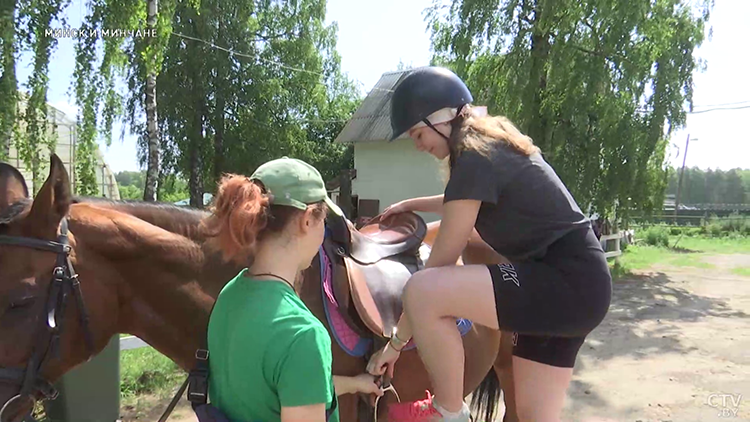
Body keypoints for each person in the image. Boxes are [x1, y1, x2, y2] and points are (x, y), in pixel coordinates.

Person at [365, 67, 612, 421]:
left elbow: (441, 262)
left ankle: (449, 412)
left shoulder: (473, 159)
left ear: (441, 118)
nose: (418, 145)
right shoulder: (485, 150)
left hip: (561, 281)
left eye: (418, 134)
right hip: (578, 287)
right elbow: (461, 201)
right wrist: (411, 205)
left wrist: (395, 343)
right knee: (531, 417)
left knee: (422, 288)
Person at [202, 157, 383, 422]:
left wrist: (356, 384)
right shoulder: (303, 334)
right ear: (308, 220)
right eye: (324, 220)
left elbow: (279, 386)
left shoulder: (230, 295)